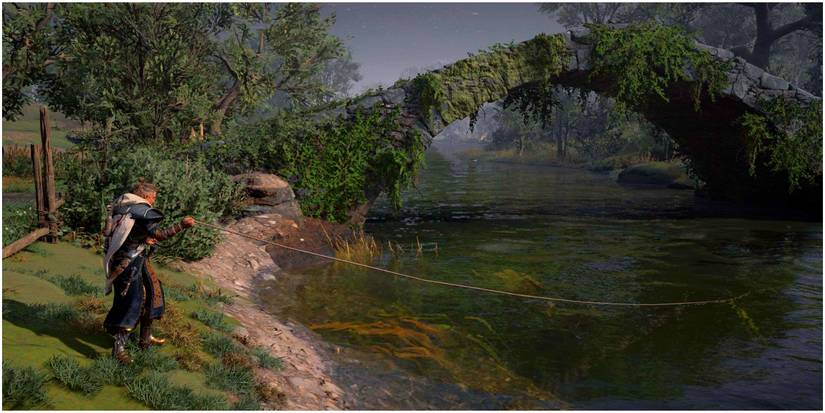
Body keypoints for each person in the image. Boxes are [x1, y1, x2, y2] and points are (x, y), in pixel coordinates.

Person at [102, 179, 196, 364]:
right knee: (132, 303)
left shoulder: (123, 205)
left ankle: (145, 338)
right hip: (128, 263)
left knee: (153, 292)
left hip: (134, 258)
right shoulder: (141, 210)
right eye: (153, 197)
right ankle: (118, 350)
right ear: (145, 196)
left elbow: (129, 232)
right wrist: (181, 225)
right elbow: (159, 235)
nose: (153, 201)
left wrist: (144, 239)